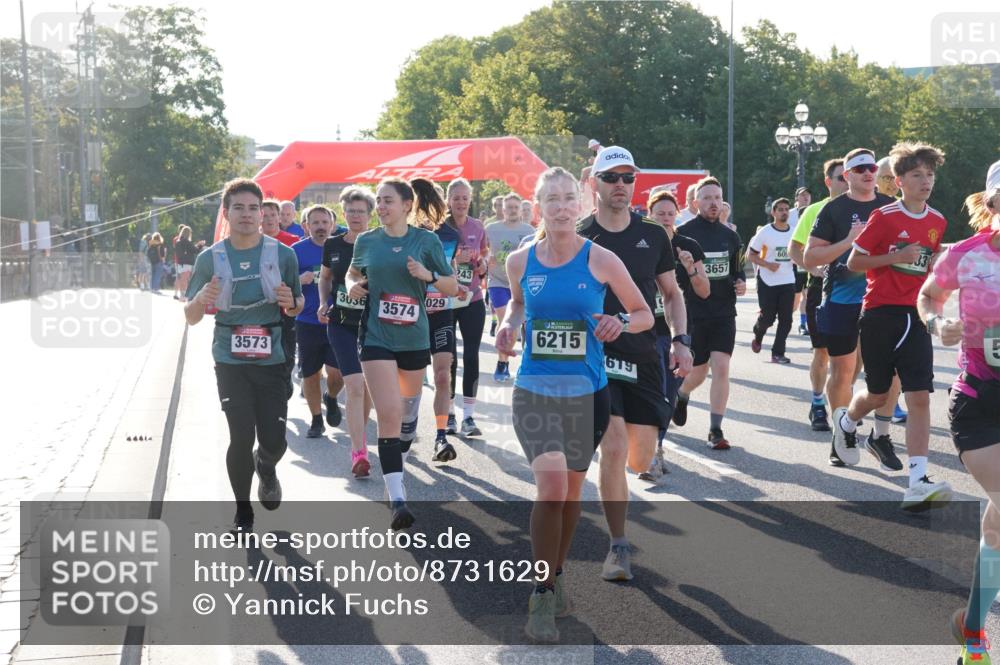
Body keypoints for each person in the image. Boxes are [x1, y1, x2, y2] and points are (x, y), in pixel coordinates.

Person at [496, 166, 653, 642]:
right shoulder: (520, 261)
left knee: (568, 494)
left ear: (580, 205)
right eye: (552, 200)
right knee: (549, 488)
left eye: (569, 199)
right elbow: (518, 305)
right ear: (538, 207)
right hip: (536, 388)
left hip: (587, 392)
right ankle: (541, 594)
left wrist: (619, 324)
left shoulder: (601, 259)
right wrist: (508, 323)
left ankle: (557, 576)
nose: (562, 207)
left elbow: (644, 314)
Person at [578, 146, 693, 580]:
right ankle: (618, 545)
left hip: (644, 352)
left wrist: (681, 340)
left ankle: (621, 486)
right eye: (612, 178)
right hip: (595, 353)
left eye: (628, 177)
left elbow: (672, 293)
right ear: (595, 183)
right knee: (614, 444)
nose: (621, 185)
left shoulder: (654, 234)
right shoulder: (580, 233)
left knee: (640, 459)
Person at [184, 178, 303, 532]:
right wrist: (202, 298)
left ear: (263, 213)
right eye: (239, 208)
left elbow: (298, 304)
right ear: (227, 213)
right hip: (230, 359)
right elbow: (190, 316)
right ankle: (243, 511)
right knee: (240, 435)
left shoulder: (283, 254)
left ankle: (266, 465)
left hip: (272, 359)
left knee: (274, 440)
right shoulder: (211, 258)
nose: (248, 215)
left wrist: (291, 304)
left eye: (254, 208)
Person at [837, 142, 951, 509]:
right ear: (898, 181)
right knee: (878, 394)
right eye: (917, 175)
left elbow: (929, 265)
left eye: (930, 175)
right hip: (880, 314)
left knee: (918, 396)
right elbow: (855, 261)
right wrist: (896, 256)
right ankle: (847, 423)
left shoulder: (937, 221)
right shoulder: (884, 216)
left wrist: (937, 267)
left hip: (915, 315)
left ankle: (918, 479)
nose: (925, 181)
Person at [919, 160, 1000, 665]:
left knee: (997, 527)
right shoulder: (965, 256)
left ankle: (972, 628)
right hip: (980, 401)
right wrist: (937, 324)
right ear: (992, 204)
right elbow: (928, 297)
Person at [345, 177, 458, 529]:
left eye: (387, 201)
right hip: (376, 334)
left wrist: (427, 275)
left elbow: (452, 285)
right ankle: (397, 498)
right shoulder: (366, 240)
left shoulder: (425, 241)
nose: (380, 206)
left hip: (414, 338)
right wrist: (353, 287)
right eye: (378, 200)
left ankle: (403, 446)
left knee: (407, 417)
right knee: (389, 412)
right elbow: (352, 273)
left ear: (407, 205)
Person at [803, 148, 898, 467]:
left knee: (891, 371)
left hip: (882, 301)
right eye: (859, 169)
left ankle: (881, 435)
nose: (868, 173)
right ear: (847, 177)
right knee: (843, 370)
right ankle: (840, 435)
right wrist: (848, 241)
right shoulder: (833, 210)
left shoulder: (889, 207)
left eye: (871, 167)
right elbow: (809, 258)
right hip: (842, 300)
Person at [639, 190, 710, 482]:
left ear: (677, 214)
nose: (666, 219)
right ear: (649, 214)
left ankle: (657, 443)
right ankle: (651, 453)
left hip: (678, 333)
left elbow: (704, 291)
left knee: (667, 395)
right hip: (644, 332)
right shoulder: (638, 242)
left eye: (670, 214)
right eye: (660, 214)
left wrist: (690, 267)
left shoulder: (688, 245)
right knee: (648, 394)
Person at [673, 177, 745, 449]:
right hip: (693, 314)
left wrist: (740, 283)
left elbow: (738, 272)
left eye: (717, 197)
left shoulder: (731, 236)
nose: (713, 203)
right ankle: (681, 394)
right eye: (707, 198)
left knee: (722, 366)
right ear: (695, 203)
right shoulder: (683, 235)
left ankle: (716, 429)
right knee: (698, 372)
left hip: (724, 313)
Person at [318, 186, 376, 478]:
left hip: (374, 326)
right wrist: (322, 302)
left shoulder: (379, 243)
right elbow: (326, 277)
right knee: (354, 385)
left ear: (370, 214)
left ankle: (360, 437)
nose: (355, 216)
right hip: (341, 323)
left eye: (360, 211)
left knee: (366, 388)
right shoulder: (333, 245)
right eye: (350, 211)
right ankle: (359, 452)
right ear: (344, 213)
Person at [790, 159, 846, 432]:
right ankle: (817, 403)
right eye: (840, 178)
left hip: (859, 291)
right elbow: (794, 249)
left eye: (850, 176)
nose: (847, 182)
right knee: (823, 352)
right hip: (821, 290)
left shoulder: (869, 209)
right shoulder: (814, 210)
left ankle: (844, 411)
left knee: (850, 358)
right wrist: (814, 268)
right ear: (828, 182)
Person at [412, 182, 466, 463]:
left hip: (441, 311)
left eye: (434, 205)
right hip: (410, 315)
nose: (428, 212)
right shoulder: (405, 234)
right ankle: (405, 429)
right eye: (424, 205)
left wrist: (457, 286)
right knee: (408, 381)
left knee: (443, 374)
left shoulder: (450, 235)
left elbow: (451, 270)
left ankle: (441, 435)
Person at [292, 205, 345, 438]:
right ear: (306, 226)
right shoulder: (296, 251)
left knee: (338, 375)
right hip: (307, 322)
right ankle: (315, 420)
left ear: (332, 225)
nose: (321, 227)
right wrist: (298, 279)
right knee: (310, 374)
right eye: (316, 223)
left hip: (338, 321)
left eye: (325, 222)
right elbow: (282, 283)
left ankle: (331, 398)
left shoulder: (342, 248)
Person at [444, 179, 488, 437]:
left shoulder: (478, 226)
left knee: (472, 356)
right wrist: (452, 259)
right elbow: (430, 260)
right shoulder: (439, 227)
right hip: (447, 300)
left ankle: (469, 418)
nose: (460, 202)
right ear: (448, 200)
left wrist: (481, 265)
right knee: (449, 357)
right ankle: (449, 413)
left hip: (472, 298)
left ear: (470, 200)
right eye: (456, 197)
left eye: (464, 198)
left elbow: (484, 255)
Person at [486, 193, 536, 382]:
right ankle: (502, 364)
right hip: (498, 281)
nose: (513, 210)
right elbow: (482, 250)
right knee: (504, 321)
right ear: (503, 210)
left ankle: (518, 361)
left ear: (520, 210)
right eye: (509, 208)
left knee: (521, 324)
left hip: (521, 283)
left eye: (516, 207)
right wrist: (485, 259)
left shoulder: (530, 230)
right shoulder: (491, 229)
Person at [876, 156, 910, 426]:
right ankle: (847, 404)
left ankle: (892, 402)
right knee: (856, 362)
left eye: (892, 178)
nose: (890, 184)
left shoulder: (911, 209)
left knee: (896, 361)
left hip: (900, 297)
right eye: (885, 178)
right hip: (863, 297)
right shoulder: (871, 210)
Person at [748, 198, 797, 363]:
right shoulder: (765, 232)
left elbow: (799, 252)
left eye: (786, 209)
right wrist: (767, 264)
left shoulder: (794, 231)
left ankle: (777, 353)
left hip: (787, 280)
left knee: (786, 319)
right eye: (780, 209)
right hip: (767, 281)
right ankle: (758, 333)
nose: (784, 212)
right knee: (768, 318)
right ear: (773, 212)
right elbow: (751, 255)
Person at [789, 187, 812, 334]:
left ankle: (804, 324)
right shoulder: (789, 215)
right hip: (793, 261)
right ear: (796, 198)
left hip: (809, 259)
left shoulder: (815, 212)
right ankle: (787, 319)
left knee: (808, 294)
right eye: (802, 195)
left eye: (808, 195)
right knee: (795, 299)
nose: (806, 198)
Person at [174, 226, 197, 302]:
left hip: (180, 263)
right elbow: (194, 250)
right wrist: (200, 245)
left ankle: (182, 295)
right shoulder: (187, 242)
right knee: (186, 280)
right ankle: (185, 296)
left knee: (182, 280)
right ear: (188, 233)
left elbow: (178, 254)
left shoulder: (178, 241)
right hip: (187, 263)